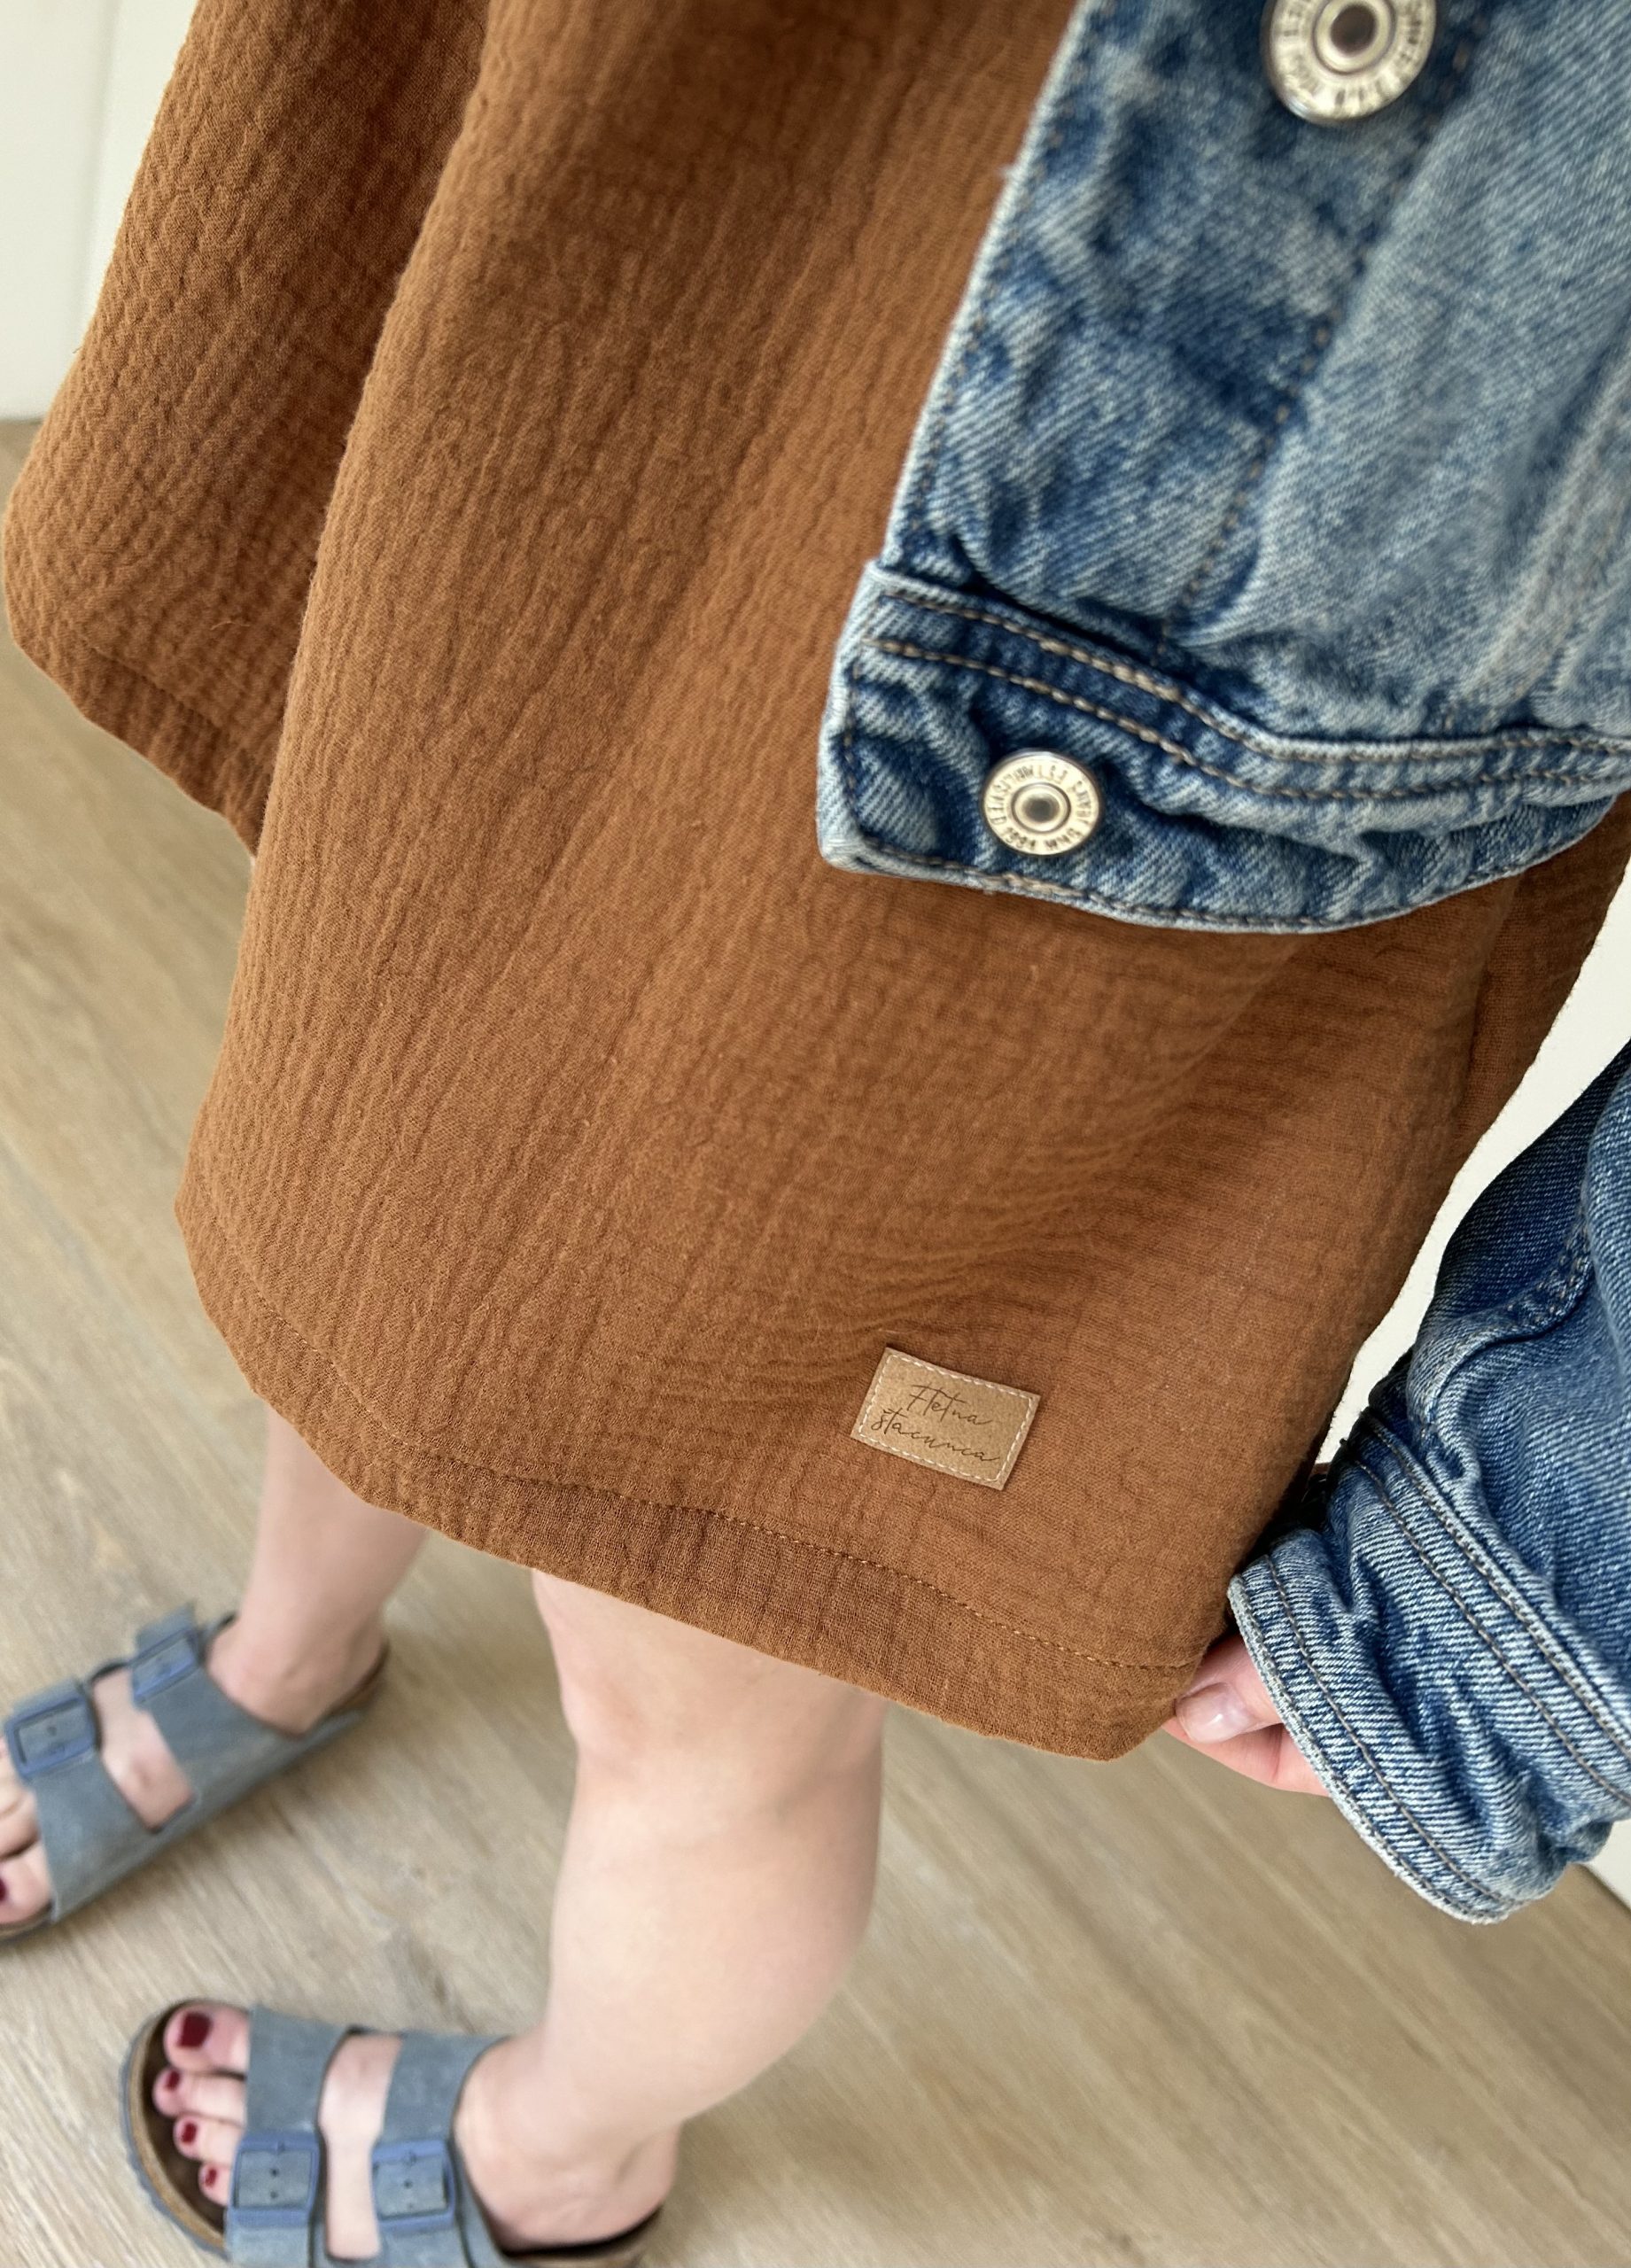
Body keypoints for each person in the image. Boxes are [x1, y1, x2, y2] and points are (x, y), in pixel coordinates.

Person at [4, 0, 1629, 2257]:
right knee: (379, 1187)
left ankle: (569, 2151)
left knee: (712, 1670)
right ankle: (293, 1649)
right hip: (677, 260)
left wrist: (1539, 1526)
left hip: (1142, 664)